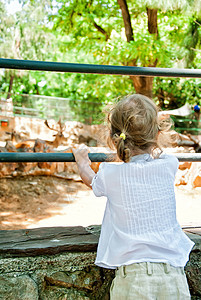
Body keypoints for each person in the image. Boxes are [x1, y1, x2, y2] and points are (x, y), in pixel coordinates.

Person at [72, 94, 194, 300]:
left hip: (133, 280)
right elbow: (159, 155)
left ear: (114, 138)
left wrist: (82, 162)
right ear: (156, 134)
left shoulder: (110, 174)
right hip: (173, 275)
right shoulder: (169, 165)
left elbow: (91, 180)